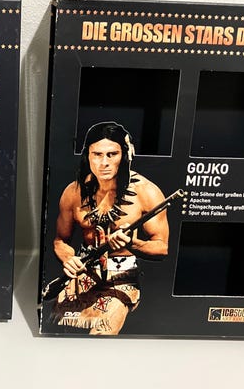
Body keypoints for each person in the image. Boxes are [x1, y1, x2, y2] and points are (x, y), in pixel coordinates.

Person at [52, 122, 169, 335]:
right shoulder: (73, 192)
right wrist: (69, 259)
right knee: (55, 329)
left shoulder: (147, 192)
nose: (104, 162)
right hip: (83, 273)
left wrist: (132, 243)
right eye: (97, 154)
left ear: (124, 155)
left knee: (101, 335)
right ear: (87, 155)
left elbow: (161, 247)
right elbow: (60, 240)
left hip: (121, 279)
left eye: (112, 154)